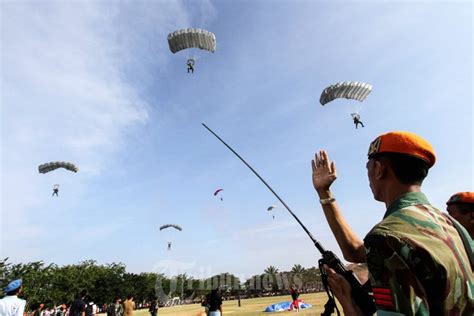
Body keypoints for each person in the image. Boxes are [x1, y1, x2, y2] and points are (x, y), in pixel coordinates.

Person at [311, 131, 473, 315]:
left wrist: (348, 302)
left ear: (379, 169)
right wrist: (325, 193)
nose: (368, 176)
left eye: (368, 168)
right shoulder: (451, 224)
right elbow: (355, 251)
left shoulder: (385, 236)